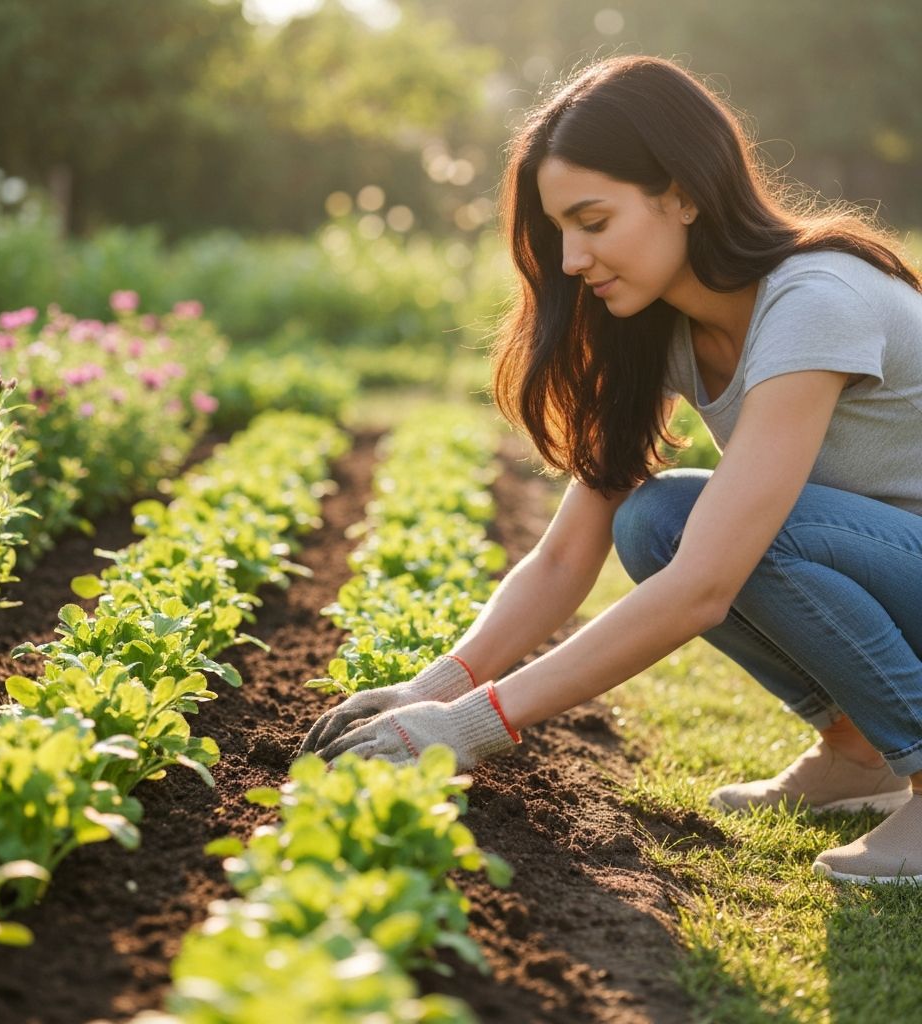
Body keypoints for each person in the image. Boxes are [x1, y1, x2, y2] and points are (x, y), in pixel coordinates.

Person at [298, 55, 922, 886]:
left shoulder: (814, 299)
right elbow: (565, 556)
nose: (570, 259)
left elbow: (709, 582)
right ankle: (855, 752)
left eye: (593, 220)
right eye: (559, 229)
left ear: (684, 193)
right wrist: (434, 686)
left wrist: (472, 725)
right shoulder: (665, 329)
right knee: (653, 520)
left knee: (733, 538)